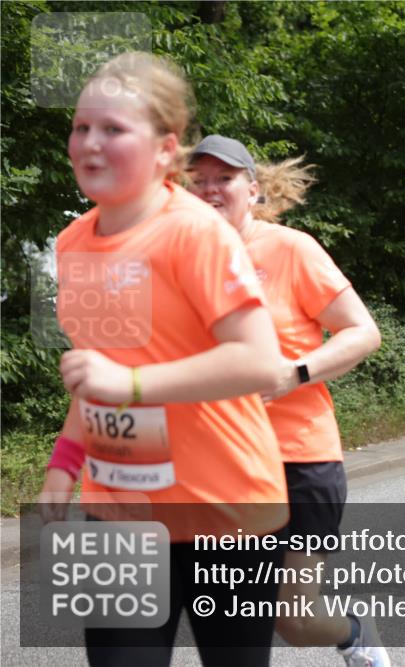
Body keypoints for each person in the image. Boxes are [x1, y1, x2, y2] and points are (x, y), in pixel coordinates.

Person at [39, 52, 289, 666]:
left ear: (163, 148)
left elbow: (260, 361)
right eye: (80, 127)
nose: (90, 143)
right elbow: (95, 371)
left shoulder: (195, 232)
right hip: (119, 505)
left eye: (113, 129)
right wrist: (64, 466)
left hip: (225, 507)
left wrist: (129, 382)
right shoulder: (73, 243)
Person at [187, 136, 388, 665]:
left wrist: (294, 373)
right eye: (198, 179)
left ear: (251, 190)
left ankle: (354, 634)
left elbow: (362, 332)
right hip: (219, 470)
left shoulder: (290, 249)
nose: (209, 189)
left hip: (299, 459)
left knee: (294, 619)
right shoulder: (178, 260)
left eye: (223, 178)